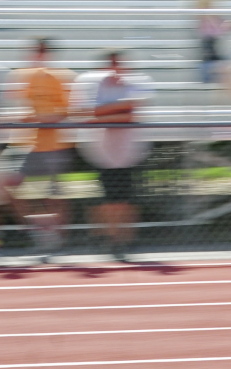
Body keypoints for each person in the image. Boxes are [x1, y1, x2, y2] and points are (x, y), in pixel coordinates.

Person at [72, 49, 152, 262]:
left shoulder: (135, 82)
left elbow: (131, 114)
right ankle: (111, 237)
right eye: (113, 63)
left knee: (124, 198)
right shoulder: (92, 84)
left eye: (120, 63)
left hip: (128, 150)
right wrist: (118, 109)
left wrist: (101, 112)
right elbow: (82, 113)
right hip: (102, 151)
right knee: (110, 198)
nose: (116, 68)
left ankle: (122, 239)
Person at [3, 38, 75, 259]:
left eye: (42, 51)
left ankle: (57, 239)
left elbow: (66, 111)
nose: (38, 55)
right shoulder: (19, 76)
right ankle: (38, 230)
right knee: (2, 184)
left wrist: (40, 118)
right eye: (35, 51)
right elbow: (13, 105)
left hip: (53, 144)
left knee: (54, 194)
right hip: (22, 142)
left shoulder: (63, 76)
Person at [196, 0, 231, 103]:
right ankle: (229, 106)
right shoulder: (204, 21)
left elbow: (226, 28)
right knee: (228, 72)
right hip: (207, 62)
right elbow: (215, 31)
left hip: (218, 61)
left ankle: (228, 106)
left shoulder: (218, 20)